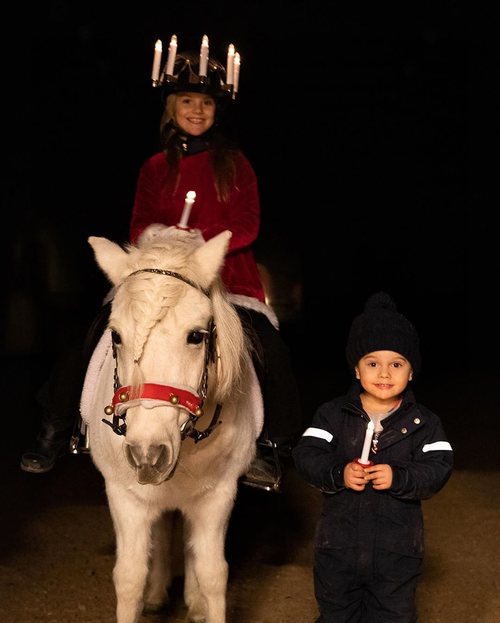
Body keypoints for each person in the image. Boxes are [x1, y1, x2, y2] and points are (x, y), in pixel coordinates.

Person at [21, 45, 302, 492]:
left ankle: (272, 444)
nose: (197, 110)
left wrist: (200, 242)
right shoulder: (155, 167)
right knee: (91, 335)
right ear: (172, 108)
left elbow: (248, 225)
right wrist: (166, 239)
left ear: (216, 112)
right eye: (188, 101)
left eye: (206, 103)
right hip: (156, 276)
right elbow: (138, 224)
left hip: (226, 280)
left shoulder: (236, 165)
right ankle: (57, 429)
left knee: (270, 349)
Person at [292, 291, 453, 622]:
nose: (383, 374)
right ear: (356, 369)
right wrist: (339, 473)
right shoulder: (332, 414)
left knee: (393, 615)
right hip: (338, 551)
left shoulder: (423, 422)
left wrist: (400, 477)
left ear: (411, 372)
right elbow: (306, 454)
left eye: (396, 364)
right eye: (372, 363)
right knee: (336, 614)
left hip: (397, 555)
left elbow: (439, 467)